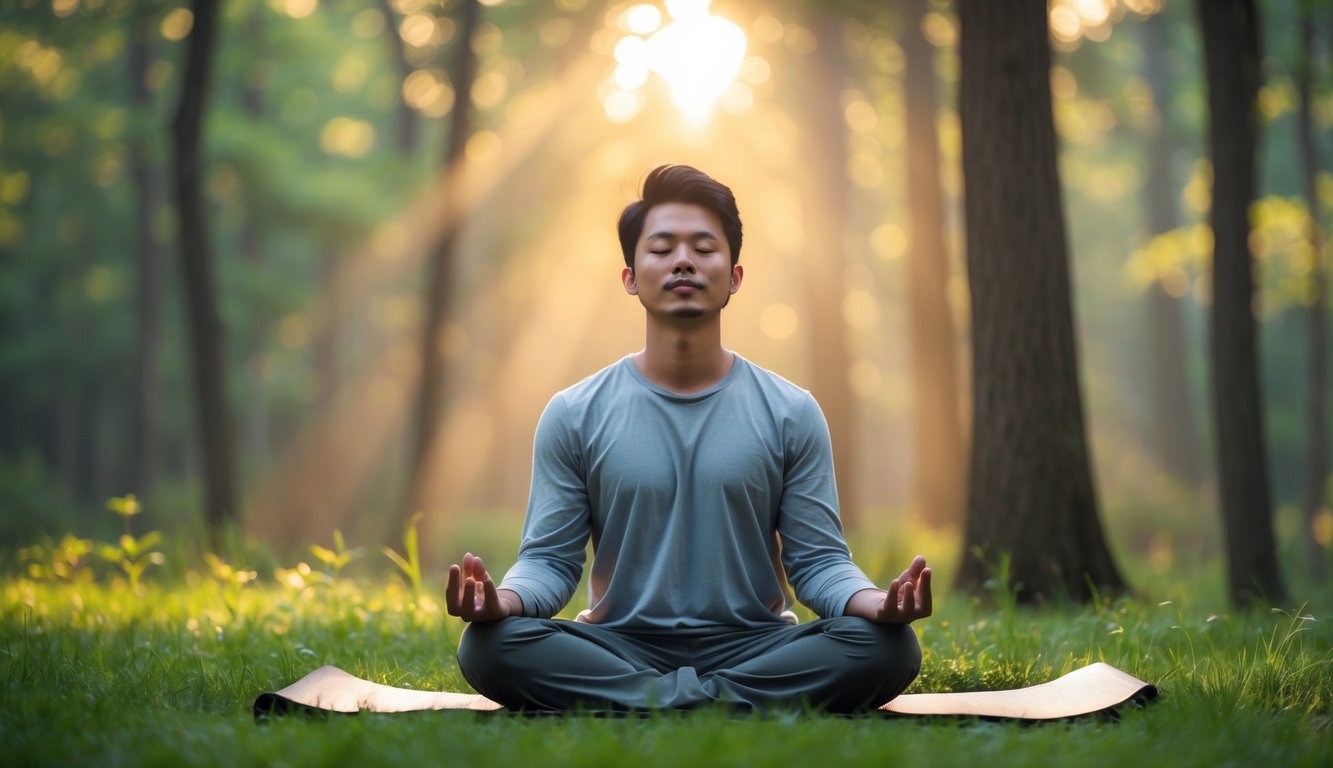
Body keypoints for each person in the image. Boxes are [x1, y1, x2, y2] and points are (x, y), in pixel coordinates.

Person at [445, 164, 931, 713]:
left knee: (887, 646)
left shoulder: (791, 412)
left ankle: (655, 702)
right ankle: (719, 703)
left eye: (703, 248)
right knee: (489, 645)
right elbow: (549, 562)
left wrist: (876, 604)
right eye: (661, 248)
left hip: (756, 647)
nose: (683, 261)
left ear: (735, 276)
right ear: (630, 277)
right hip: (619, 647)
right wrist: (505, 602)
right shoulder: (574, 413)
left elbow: (818, 562)